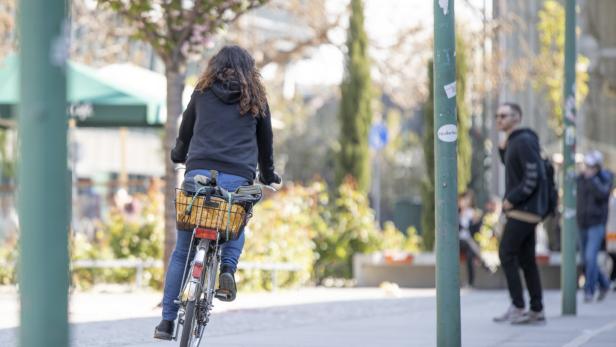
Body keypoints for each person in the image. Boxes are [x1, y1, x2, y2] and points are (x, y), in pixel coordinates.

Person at [154, 45, 281, 340]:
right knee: (237, 220)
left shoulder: (201, 93)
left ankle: (166, 323)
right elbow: (266, 144)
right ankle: (226, 268)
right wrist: (269, 174)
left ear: (214, 66)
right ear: (251, 70)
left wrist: (178, 154)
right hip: (237, 177)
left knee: (182, 251)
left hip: (198, 173)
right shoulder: (257, 99)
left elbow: (185, 133)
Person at [492, 102, 548, 325]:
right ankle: (536, 309)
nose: (499, 120)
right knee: (526, 259)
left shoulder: (524, 141)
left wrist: (511, 199)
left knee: (506, 253)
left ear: (517, 117)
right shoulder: (515, 141)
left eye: (503, 116)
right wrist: (503, 147)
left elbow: (533, 176)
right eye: (497, 116)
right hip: (524, 210)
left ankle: (518, 305)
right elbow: (512, 166)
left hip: (523, 210)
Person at [576, 150, 613, 302]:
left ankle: (589, 290)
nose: (588, 169)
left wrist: (592, 180)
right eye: (587, 166)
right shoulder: (581, 179)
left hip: (596, 224)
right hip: (582, 223)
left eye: (592, 166)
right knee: (585, 259)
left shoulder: (604, 178)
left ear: (598, 167)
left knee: (591, 257)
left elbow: (603, 195)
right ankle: (604, 283)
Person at [458, 191, 485, 287]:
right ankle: (482, 260)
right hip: (458, 242)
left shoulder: (473, 214)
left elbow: (476, 232)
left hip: (469, 243)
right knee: (468, 244)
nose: (463, 202)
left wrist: (475, 222)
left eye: (466, 200)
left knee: (470, 255)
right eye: (461, 200)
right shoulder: (455, 213)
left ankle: (470, 282)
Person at [606, 188, 616, 290]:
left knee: (612, 259)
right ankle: (611, 279)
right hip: (610, 234)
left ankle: (611, 279)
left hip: (611, 234)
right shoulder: (611, 201)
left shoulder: (611, 202)